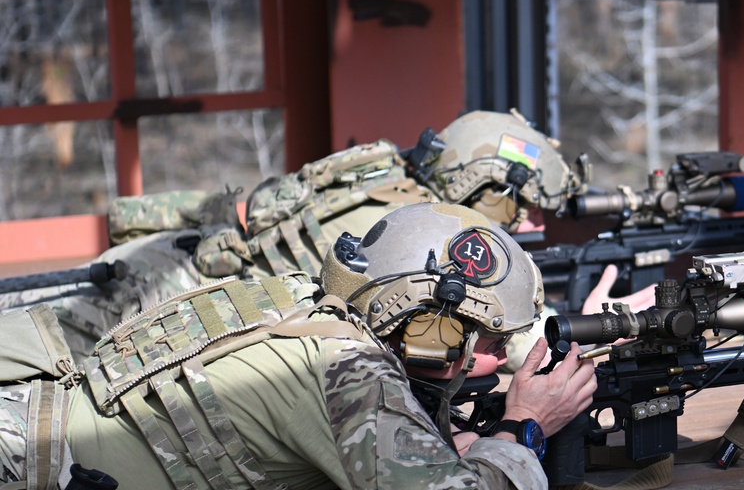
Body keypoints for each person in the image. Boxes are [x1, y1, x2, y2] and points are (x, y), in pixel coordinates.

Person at [0, 203, 596, 490]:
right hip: (22, 465)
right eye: (488, 342)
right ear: (428, 327)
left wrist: (444, 445)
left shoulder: (306, 309)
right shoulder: (352, 368)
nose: (493, 362)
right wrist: (525, 429)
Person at [0, 109, 592, 362]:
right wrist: (591, 324)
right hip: (146, 311)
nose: (535, 223)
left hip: (150, 267)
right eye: (524, 204)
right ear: (479, 184)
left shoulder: (381, 175)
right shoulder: (412, 235)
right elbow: (501, 341)